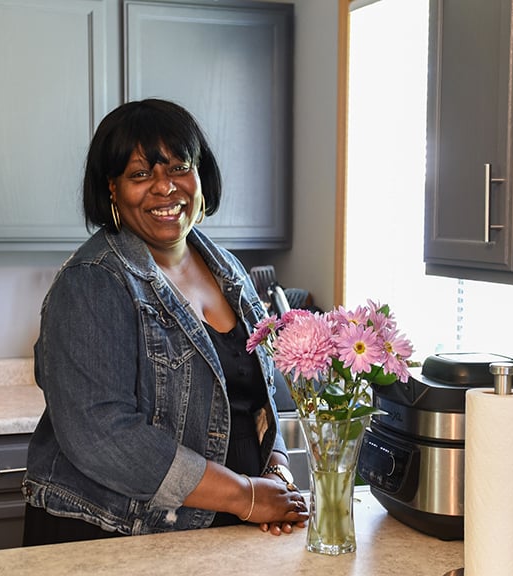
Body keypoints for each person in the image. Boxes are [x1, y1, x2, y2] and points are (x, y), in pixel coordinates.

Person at [21, 99, 308, 545]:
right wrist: (246, 495)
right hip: (110, 538)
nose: (165, 188)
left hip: (215, 535)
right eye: (140, 175)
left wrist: (276, 473)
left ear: (200, 176)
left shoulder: (229, 270)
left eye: (179, 168)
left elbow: (255, 398)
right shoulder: (92, 282)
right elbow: (103, 435)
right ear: (111, 189)